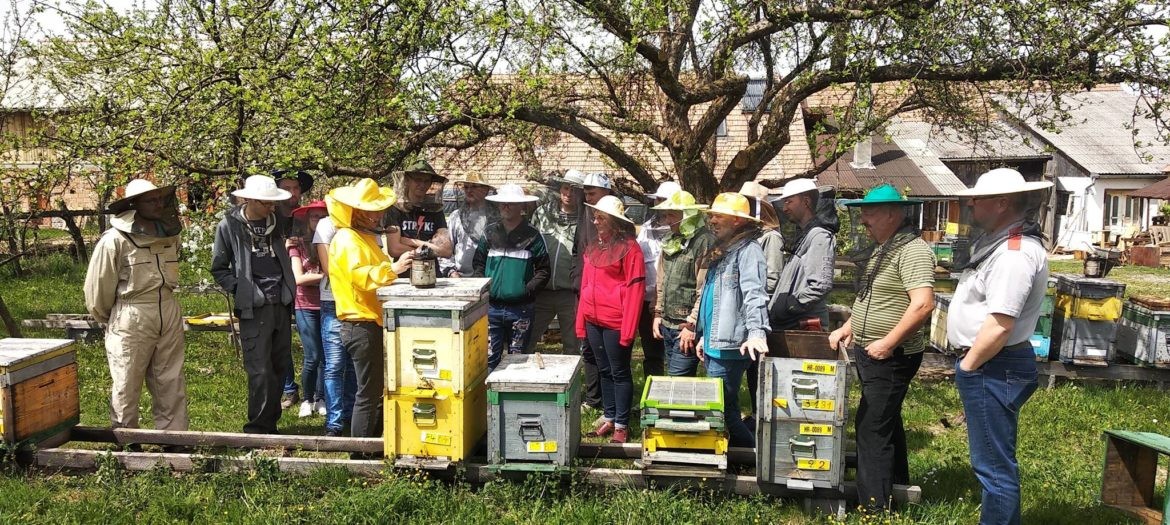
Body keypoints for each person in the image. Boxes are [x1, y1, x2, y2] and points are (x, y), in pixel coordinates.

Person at [949, 168, 1053, 525]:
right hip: (992, 364)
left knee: (993, 467)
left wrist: (968, 366)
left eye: (978, 199)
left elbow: (1000, 324)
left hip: (993, 364)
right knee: (991, 462)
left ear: (1002, 203)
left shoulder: (1014, 254)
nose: (972, 205)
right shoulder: (1004, 245)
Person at [828, 184, 935, 513]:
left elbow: (922, 305)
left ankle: (873, 508)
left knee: (871, 427)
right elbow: (870, 296)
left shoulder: (913, 251)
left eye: (870, 213)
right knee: (886, 420)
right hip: (873, 353)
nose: (863, 220)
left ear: (892, 213)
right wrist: (849, 327)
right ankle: (897, 484)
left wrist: (888, 344)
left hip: (891, 357)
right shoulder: (885, 247)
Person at [84, 179, 189, 432]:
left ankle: (173, 439)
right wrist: (114, 319)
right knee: (127, 379)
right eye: (151, 200)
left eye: (160, 199)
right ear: (134, 204)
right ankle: (126, 440)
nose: (159, 204)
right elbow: (98, 290)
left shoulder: (169, 235)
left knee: (170, 379)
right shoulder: (114, 241)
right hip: (132, 312)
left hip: (168, 308)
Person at [327, 178, 414, 439]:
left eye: (378, 209)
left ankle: (373, 446)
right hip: (360, 323)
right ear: (356, 211)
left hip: (370, 322)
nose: (377, 215)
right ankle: (360, 455)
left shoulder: (363, 239)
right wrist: (393, 269)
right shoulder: (347, 239)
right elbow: (359, 276)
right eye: (371, 210)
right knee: (367, 392)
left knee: (375, 390)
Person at [211, 175, 297, 434]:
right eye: (266, 203)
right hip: (254, 308)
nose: (272, 207)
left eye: (273, 203)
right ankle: (257, 428)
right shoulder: (229, 225)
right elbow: (219, 268)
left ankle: (271, 422)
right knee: (259, 368)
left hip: (281, 303)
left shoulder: (279, 222)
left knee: (280, 365)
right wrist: (243, 289)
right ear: (249, 199)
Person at [692, 192, 771, 448]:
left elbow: (754, 293)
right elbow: (713, 299)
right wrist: (703, 335)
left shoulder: (749, 251)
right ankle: (740, 457)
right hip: (716, 342)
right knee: (727, 407)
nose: (712, 220)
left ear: (737, 221)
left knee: (722, 410)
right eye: (711, 215)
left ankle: (749, 459)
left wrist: (757, 332)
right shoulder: (725, 250)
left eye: (718, 215)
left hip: (730, 346)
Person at [576, 195, 644, 444]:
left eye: (600, 217)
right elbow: (586, 285)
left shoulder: (631, 249)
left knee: (619, 372)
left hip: (616, 321)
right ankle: (610, 417)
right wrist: (581, 321)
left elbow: (635, 289)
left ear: (615, 221)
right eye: (595, 217)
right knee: (603, 369)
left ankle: (622, 425)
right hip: (594, 318)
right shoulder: (595, 246)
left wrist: (628, 330)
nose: (595, 221)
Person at [473, 184, 551, 370]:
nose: (505, 207)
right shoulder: (489, 232)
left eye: (511, 203)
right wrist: (483, 289)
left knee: (517, 362)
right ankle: (490, 399)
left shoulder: (533, 236)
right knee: (488, 359)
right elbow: (478, 264)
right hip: (491, 308)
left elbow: (544, 270)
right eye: (502, 203)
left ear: (522, 208)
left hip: (521, 310)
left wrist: (526, 291)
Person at [648, 190, 713, 377]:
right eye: (666, 215)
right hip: (667, 323)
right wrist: (658, 313)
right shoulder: (670, 240)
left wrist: (692, 325)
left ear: (688, 215)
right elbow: (661, 279)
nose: (668, 220)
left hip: (686, 326)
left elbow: (705, 288)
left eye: (672, 215)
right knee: (675, 380)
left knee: (677, 381)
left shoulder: (704, 242)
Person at [738, 181, 784, 431]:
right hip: (747, 313)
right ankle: (755, 416)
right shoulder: (751, 238)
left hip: (760, 313)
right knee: (750, 369)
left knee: (758, 370)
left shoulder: (771, 238)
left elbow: (772, 277)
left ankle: (761, 419)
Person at [312, 198, 358, 437]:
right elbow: (330, 268)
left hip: (360, 302)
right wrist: (362, 271)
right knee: (335, 364)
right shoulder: (326, 225)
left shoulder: (364, 225)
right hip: (333, 300)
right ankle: (334, 422)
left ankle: (351, 416)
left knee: (353, 365)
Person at [526, 170, 585, 356]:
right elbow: (530, 247)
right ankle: (523, 381)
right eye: (566, 188)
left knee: (572, 346)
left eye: (575, 190)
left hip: (570, 293)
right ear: (560, 189)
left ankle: (571, 384)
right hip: (541, 292)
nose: (569, 193)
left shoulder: (586, 220)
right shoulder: (542, 213)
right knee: (527, 339)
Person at [770, 178, 837, 331]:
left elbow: (820, 285)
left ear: (806, 201)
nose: (785, 208)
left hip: (804, 330)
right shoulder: (805, 235)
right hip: (790, 328)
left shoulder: (819, 236)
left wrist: (789, 306)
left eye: (789, 202)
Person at [573, 171, 615, 411]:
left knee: (608, 355)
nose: (587, 196)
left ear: (606, 193)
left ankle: (611, 405)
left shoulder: (618, 225)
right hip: (584, 294)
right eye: (586, 192)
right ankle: (594, 399)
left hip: (607, 302)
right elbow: (576, 252)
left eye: (592, 192)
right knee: (588, 349)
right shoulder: (585, 217)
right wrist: (576, 281)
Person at [274, 170, 314, 409]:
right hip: (278, 283)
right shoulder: (270, 215)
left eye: (296, 188)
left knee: (311, 341)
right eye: (286, 187)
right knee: (281, 340)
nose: (292, 192)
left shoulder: (306, 216)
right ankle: (289, 389)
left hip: (306, 286)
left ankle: (315, 392)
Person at [635, 181, 680, 378]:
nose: (662, 206)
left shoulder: (686, 232)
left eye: (666, 201)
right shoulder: (646, 228)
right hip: (647, 300)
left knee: (676, 354)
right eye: (660, 201)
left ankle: (674, 399)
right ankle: (652, 397)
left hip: (675, 302)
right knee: (651, 352)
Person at [288, 200, 328, 418]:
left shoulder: (331, 242)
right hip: (305, 304)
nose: (319, 221)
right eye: (315, 217)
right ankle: (306, 398)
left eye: (324, 217)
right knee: (312, 355)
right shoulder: (297, 245)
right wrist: (327, 275)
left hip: (328, 303)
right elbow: (299, 278)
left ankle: (321, 398)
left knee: (325, 356)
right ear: (307, 220)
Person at [383, 159, 453, 259]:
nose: (422, 185)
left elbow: (446, 251)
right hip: (405, 271)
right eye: (418, 180)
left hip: (431, 271)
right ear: (407, 180)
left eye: (426, 181)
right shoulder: (395, 209)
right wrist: (430, 248)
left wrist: (409, 241)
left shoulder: (435, 210)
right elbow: (394, 249)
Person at [442, 172, 497, 278]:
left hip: (490, 277)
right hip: (461, 278)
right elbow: (445, 250)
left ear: (485, 190)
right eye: (466, 187)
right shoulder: (456, 216)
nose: (469, 190)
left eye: (474, 187)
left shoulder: (497, 217)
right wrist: (452, 272)